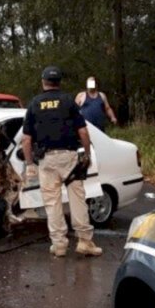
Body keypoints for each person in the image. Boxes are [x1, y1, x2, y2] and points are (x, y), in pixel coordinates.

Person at [21, 66, 103, 258]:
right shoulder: (68, 101)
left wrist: (30, 164)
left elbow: (26, 139)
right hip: (69, 158)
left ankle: (59, 245)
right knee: (77, 198)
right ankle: (84, 242)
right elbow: (83, 132)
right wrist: (87, 154)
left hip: (47, 161)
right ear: (59, 82)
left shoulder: (34, 103)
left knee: (52, 203)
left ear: (43, 82)